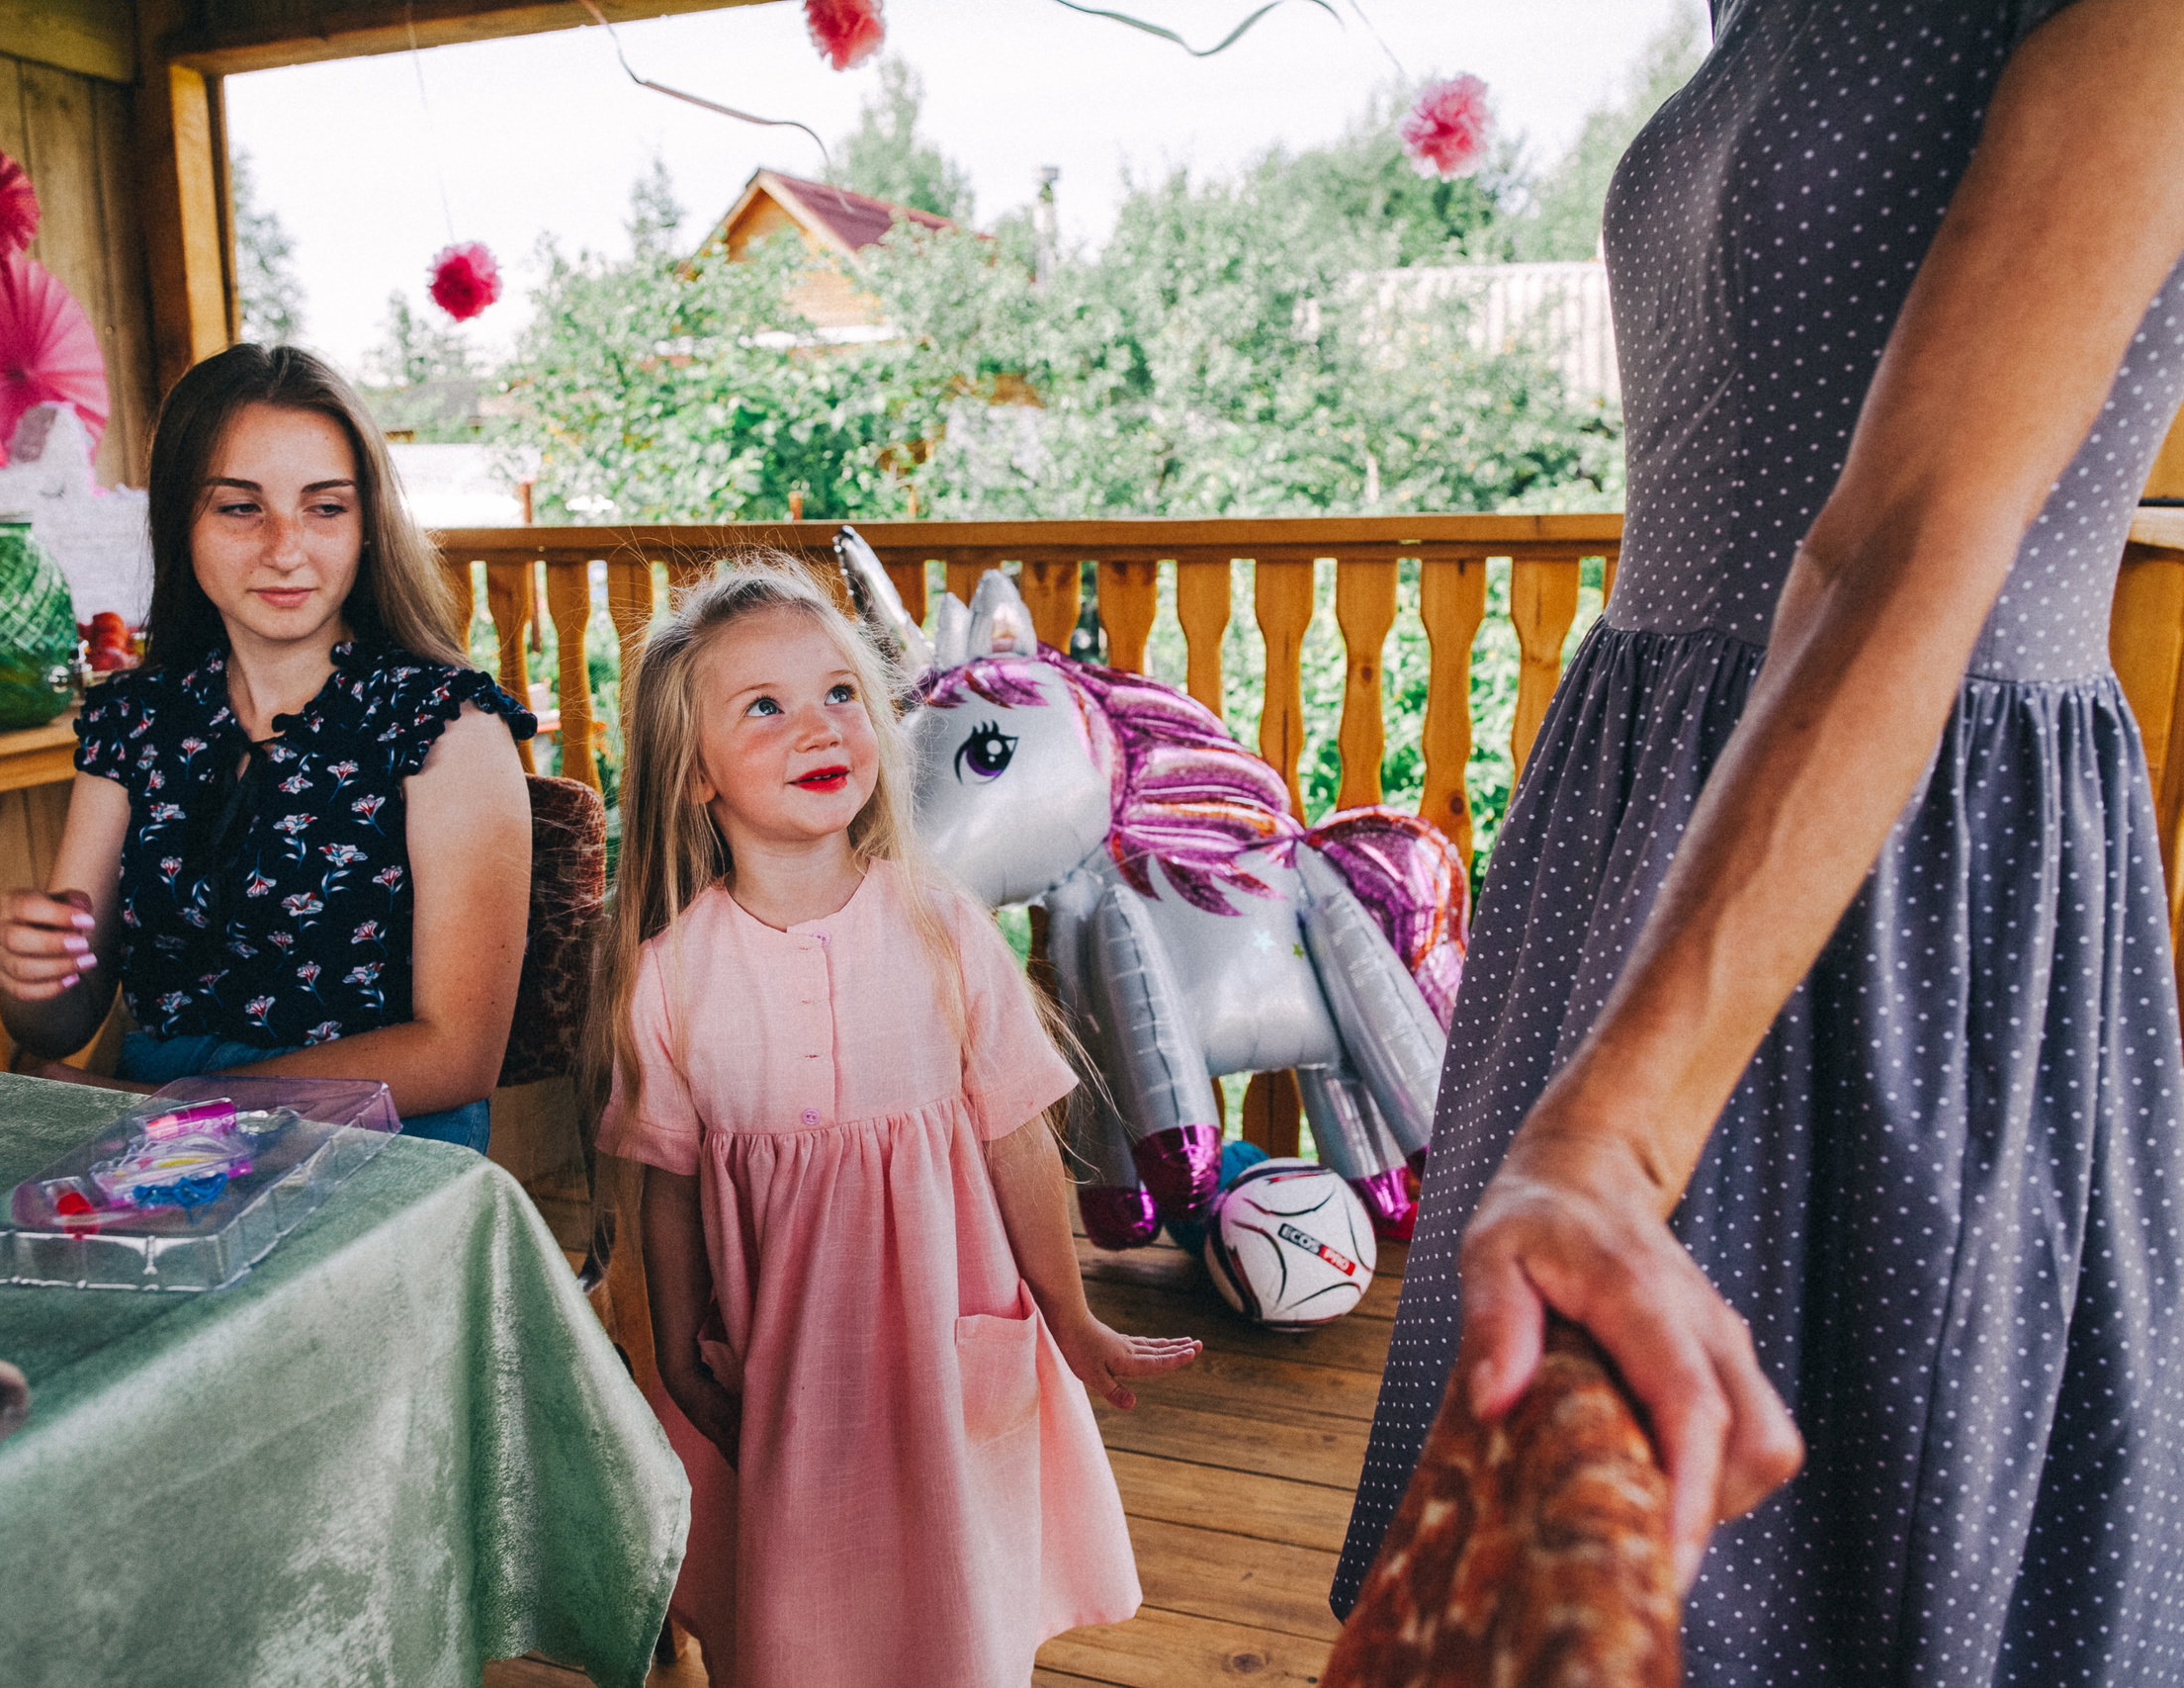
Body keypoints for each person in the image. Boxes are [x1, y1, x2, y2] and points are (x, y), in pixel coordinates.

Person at [1333, 2, 2184, 1681]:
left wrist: (1618, 1141)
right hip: (1627, 813)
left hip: (1916, 858)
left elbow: (1905, 535)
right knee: (1527, 1530)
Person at [590, 563, 1198, 1688]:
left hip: (938, 1340)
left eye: (837, 694)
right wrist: (675, 1346)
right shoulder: (669, 980)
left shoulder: (940, 929)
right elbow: (665, 1183)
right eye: (762, 707)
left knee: (951, 1594)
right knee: (801, 1612)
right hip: (783, 1366)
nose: (816, 727)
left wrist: (1066, 1311)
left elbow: (1017, 1132)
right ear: (691, 773)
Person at [0, 343, 535, 1153]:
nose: (286, 547)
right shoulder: (135, 721)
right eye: (240, 507)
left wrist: (165, 1104)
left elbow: (456, 1056)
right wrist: (32, 977)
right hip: (153, 1139)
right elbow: (64, 1022)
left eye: (325, 507)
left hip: (379, 1140)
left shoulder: (447, 728)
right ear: (181, 519)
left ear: (369, 524)